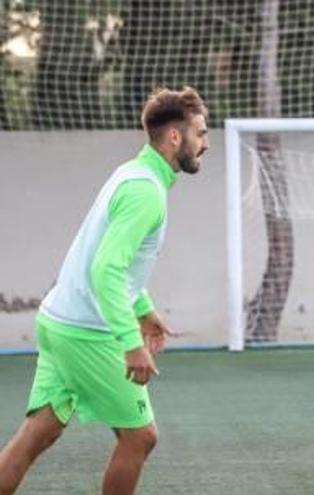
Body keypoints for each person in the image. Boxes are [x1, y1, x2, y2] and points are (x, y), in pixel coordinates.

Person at [0, 87, 209, 494]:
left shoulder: (131, 173)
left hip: (58, 321)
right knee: (140, 436)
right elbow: (106, 269)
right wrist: (131, 343)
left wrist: (144, 308)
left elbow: (114, 261)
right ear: (174, 137)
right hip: (84, 332)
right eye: (200, 133)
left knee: (38, 432)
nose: (206, 144)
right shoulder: (146, 191)